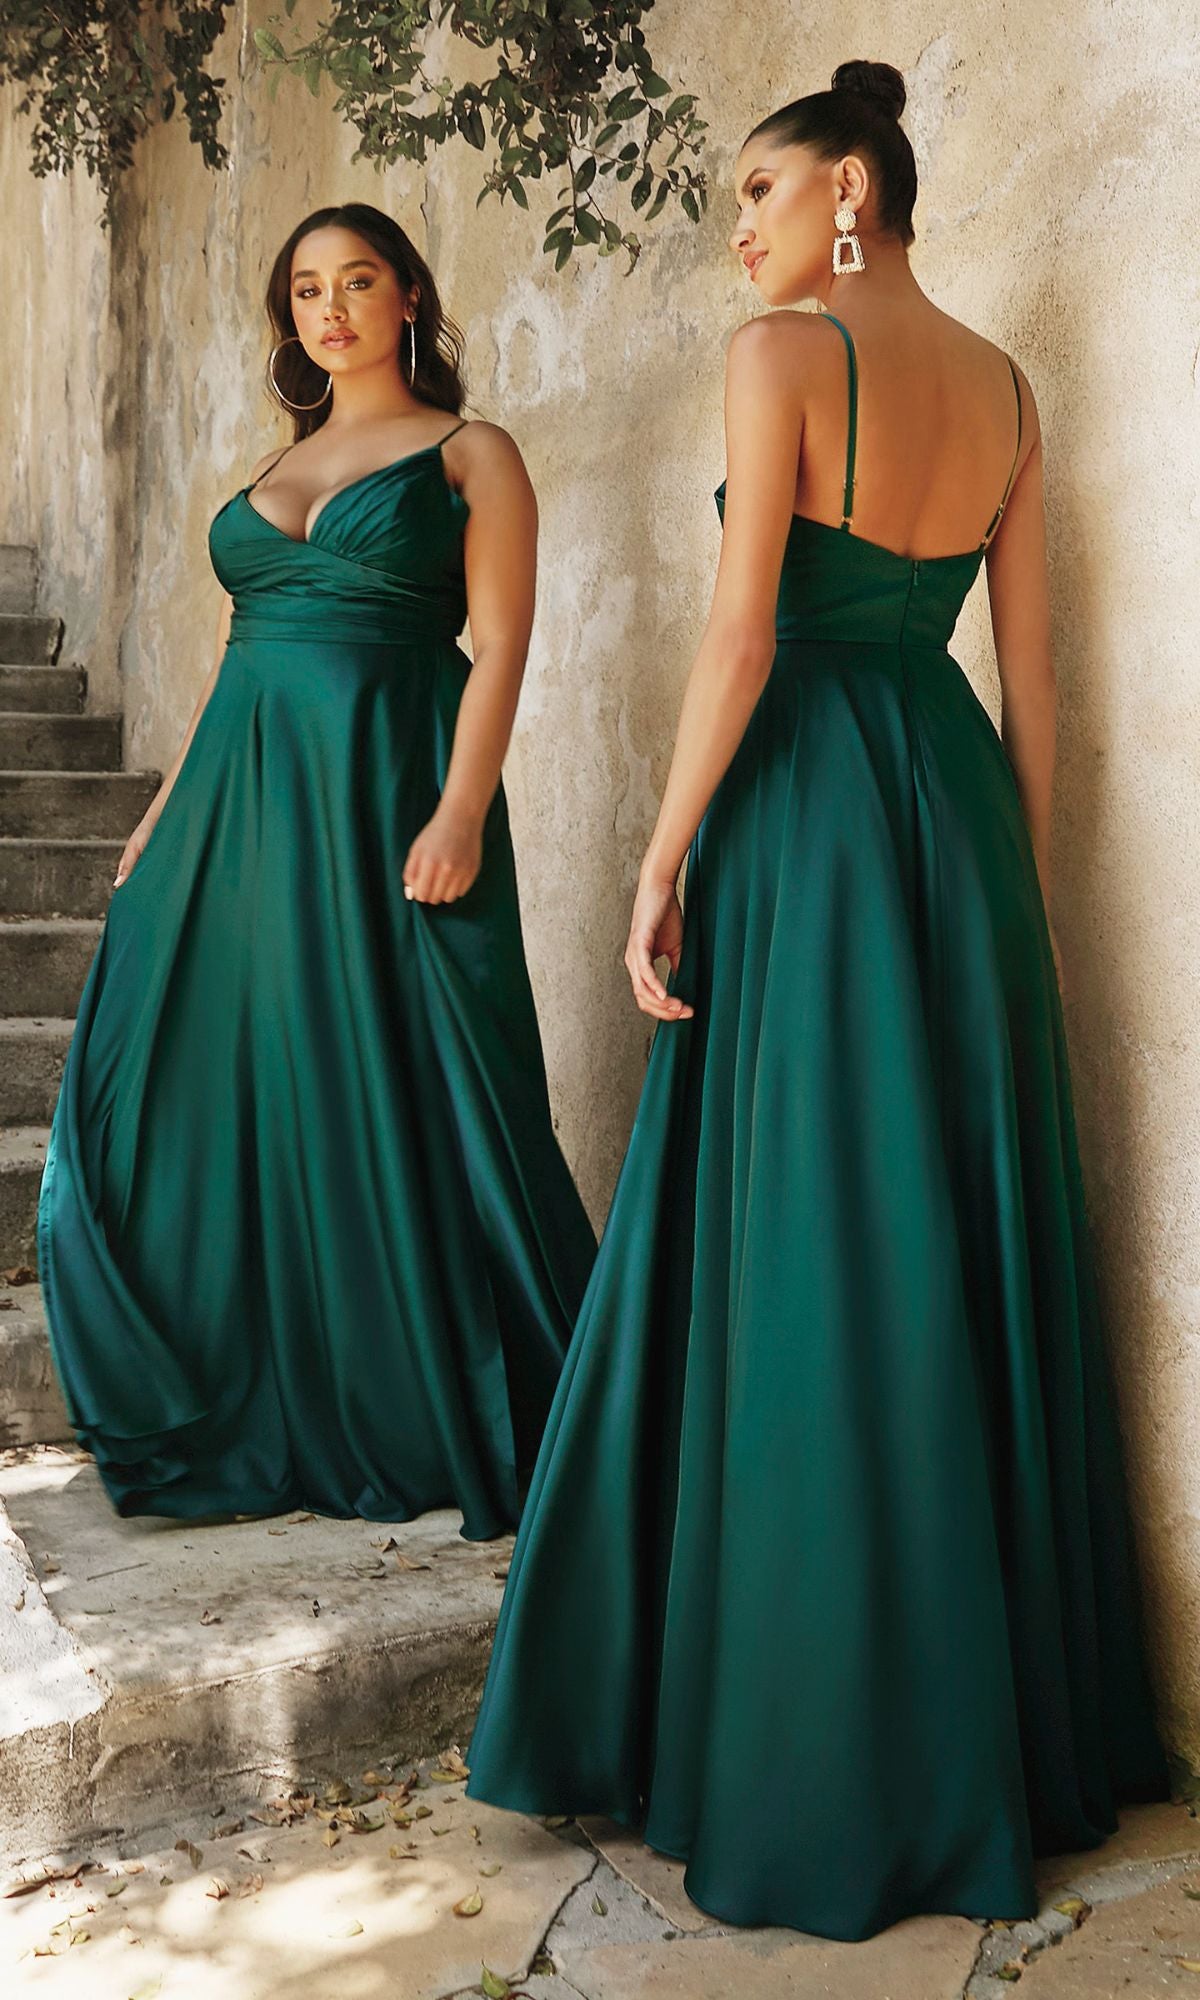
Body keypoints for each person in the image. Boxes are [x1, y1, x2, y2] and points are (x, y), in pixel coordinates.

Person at [465, 63, 1170, 1938]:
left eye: (761, 193)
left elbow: (746, 627)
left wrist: (664, 846)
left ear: (852, 189)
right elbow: (1028, 683)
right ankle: (1004, 1736)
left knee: (805, 1241)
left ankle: (817, 1738)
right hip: (944, 815)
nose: (746, 232)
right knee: (936, 1231)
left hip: (804, 814)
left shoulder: (782, 353)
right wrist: (1014, 911)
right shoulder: (1011, 390)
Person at [37, 201, 596, 1534]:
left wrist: (461, 811)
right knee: (191, 1078)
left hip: (389, 795)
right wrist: (166, 805)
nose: (329, 308)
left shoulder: (472, 453)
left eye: (357, 282)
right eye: (304, 290)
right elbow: (241, 659)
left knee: (412, 1085)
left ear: (410, 297)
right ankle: (246, 1381)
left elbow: (503, 647)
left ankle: (423, 1392)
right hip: (240, 809)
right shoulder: (276, 460)